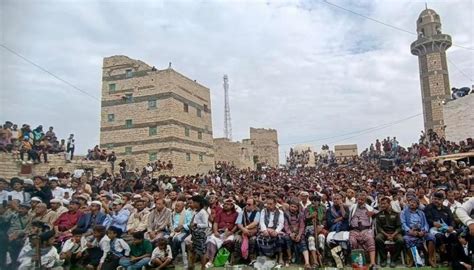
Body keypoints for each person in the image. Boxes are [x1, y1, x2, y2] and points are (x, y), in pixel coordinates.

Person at [400, 195, 436, 267]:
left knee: (431, 237)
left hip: (421, 232)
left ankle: (430, 259)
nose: (411, 204)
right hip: (410, 232)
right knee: (406, 239)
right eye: (410, 202)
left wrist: (423, 231)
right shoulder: (403, 212)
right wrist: (410, 231)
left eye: (414, 202)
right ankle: (412, 260)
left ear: (417, 204)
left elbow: (426, 224)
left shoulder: (421, 213)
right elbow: (403, 224)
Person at [423, 191, 457, 264]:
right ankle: (444, 258)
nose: (436, 201)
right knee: (439, 236)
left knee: (454, 235)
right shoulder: (428, 207)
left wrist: (451, 226)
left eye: (438, 199)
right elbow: (427, 219)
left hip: (446, 228)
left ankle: (453, 258)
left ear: (442, 200)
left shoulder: (446, 209)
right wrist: (433, 223)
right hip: (434, 229)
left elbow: (452, 220)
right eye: (434, 199)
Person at [204, 198, 238, 268]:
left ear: (232, 206)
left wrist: (231, 232)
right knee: (211, 240)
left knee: (229, 242)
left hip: (229, 233)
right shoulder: (220, 212)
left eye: (228, 204)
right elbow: (215, 223)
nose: (225, 206)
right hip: (219, 231)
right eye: (225, 204)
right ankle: (210, 261)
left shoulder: (236, 214)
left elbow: (236, 225)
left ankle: (225, 260)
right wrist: (216, 231)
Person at [348, 191, 377, 269]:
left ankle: (372, 263)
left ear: (365, 200)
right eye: (359, 200)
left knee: (370, 239)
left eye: (362, 200)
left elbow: (378, 211)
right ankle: (356, 262)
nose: (360, 201)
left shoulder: (370, 208)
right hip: (354, 230)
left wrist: (373, 213)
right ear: (357, 199)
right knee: (352, 241)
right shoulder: (352, 207)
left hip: (366, 230)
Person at [374, 196, 403, 268]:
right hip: (383, 233)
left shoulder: (396, 214)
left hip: (395, 232)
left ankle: (394, 259)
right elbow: (379, 228)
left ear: (389, 204)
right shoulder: (379, 214)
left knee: (400, 240)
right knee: (378, 238)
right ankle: (383, 259)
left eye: (384, 203)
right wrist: (387, 235)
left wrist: (393, 235)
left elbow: (399, 227)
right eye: (381, 204)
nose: (382, 205)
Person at [257, 196, 285, 263]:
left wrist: (276, 231)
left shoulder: (280, 212)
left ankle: (280, 257)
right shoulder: (264, 210)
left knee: (280, 238)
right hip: (265, 229)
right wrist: (265, 230)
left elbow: (281, 224)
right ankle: (265, 256)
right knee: (259, 238)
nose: (269, 206)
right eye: (267, 204)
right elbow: (262, 221)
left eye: (271, 204)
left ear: (275, 204)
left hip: (275, 230)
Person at [284, 199, 310, 268]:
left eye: (295, 207)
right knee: (287, 238)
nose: (293, 208)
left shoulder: (301, 214)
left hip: (299, 232)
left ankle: (307, 263)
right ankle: (289, 258)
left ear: (298, 208)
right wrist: (290, 234)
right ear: (289, 206)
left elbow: (302, 226)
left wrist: (299, 234)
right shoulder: (286, 214)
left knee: (302, 241)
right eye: (292, 206)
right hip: (289, 232)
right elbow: (286, 226)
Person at [234, 197, 260, 264]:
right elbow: (238, 223)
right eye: (246, 204)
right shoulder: (242, 212)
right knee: (237, 239)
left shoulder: (257, 213)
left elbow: (255, 223)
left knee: (253, 240)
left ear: (254, 205)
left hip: (252, 232)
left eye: (249, 204)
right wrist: (243, 230)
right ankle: (239, 258)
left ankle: (251, 258)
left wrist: (246, 228)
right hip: (242, 232)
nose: (247, 205)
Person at [169, 200, 192, 267]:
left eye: (178, 206)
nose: (176, 207)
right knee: (166, 239)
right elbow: (171, 224)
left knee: (177, 239)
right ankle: (169, 257)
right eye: (176, 205)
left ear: (183, 207)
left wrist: (182, 226)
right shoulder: (173, 213)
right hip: (174, 231)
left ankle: (174, 256)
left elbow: (190, 224)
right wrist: (173, 229)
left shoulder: (187, 213)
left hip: (185, 231)